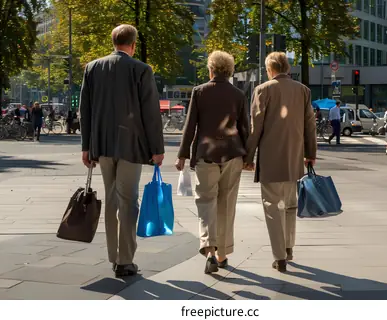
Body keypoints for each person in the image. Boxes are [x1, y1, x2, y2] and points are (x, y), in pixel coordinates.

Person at [79, 24, 164, 278]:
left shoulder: (92, 68)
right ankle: (125, 260)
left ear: (113, 41)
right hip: (131, 146)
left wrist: (86, 146)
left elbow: (86, 109)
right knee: (128, 201)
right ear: (133, 44)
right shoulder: (141, 70)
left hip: (102, 146)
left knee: (112, 199)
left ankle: (113, 255)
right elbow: (151, 113)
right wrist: (157, 149)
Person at [175, 51, 249, 274]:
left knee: (206, 202)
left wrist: (183, 154)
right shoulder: (238, 94)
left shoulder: (199, 92)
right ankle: (223, 254)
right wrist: (249, 157)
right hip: (232, 154)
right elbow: (245, 128)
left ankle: (209, 250)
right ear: (230, 71)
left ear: (211, 70)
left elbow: (191, 126)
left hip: (206, 154)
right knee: (226, 204)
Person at [244, 52, 317, 273]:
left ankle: (279, 256)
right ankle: (288, 247)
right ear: (287, 68)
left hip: (270, 159)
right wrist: (310, 153)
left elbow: (255, 128)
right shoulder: (303, 90)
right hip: (294, 158)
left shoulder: (263, 90)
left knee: (271, 206)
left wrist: (248, 157)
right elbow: (309, 125)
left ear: (270, 69)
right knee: (290, 205)